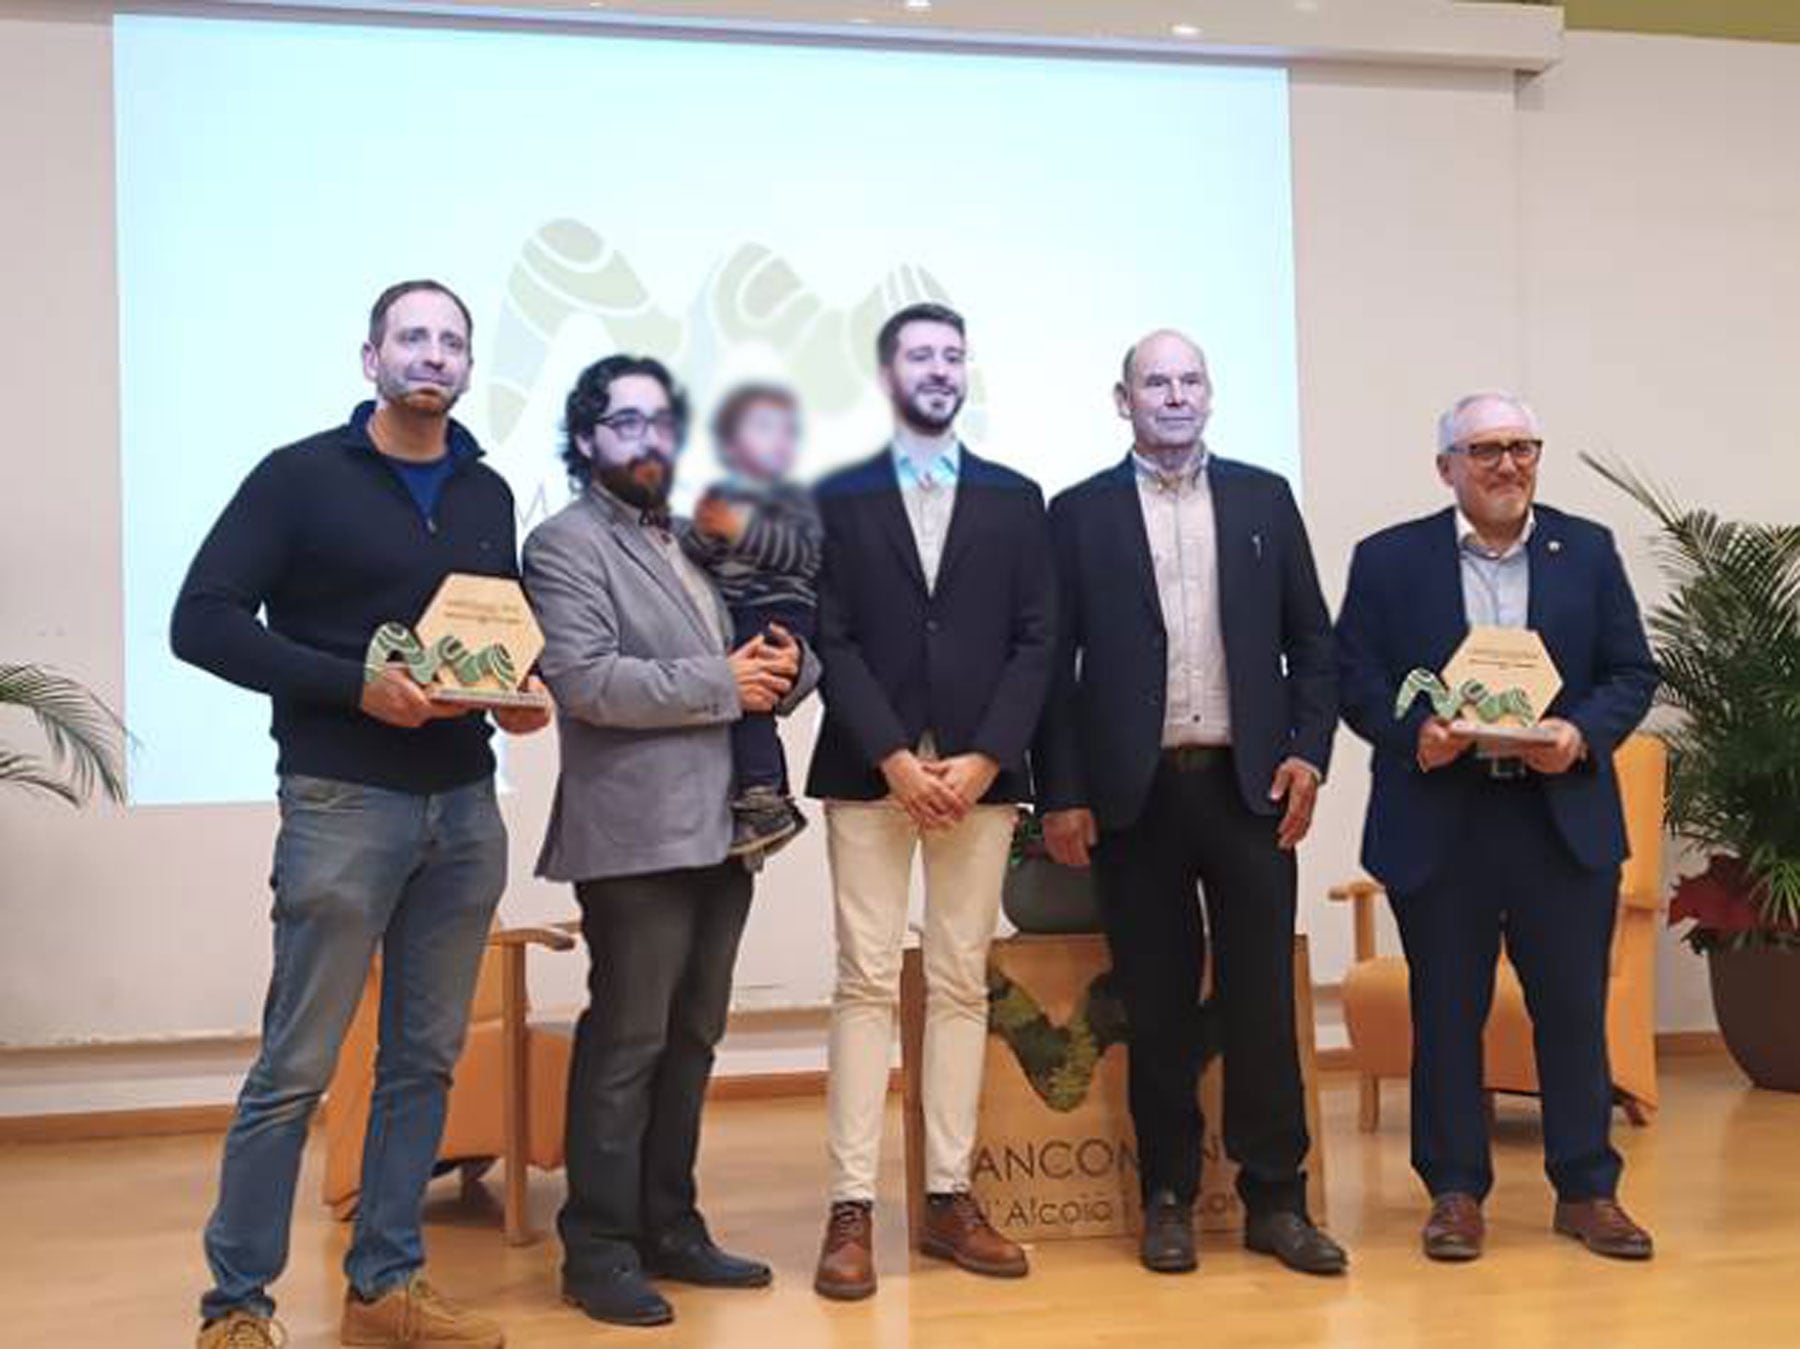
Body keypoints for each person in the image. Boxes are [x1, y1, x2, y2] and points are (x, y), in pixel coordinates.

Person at [171, 280, 551, 1349]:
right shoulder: (296, 478)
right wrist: (352, 685)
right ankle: (236, 1304)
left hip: (465, 806)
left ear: (469, 366)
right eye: (412, 337)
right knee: (294, 1067)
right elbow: (198, 621)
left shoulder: (487, 491)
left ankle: (386, 1285)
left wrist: (519, 696)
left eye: (452, 340)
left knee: (424, 1060)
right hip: (342, 798)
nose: (432, 354)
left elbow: (492, 636)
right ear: (371, 357)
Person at [1033, 329, 1347, 1277]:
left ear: (1210, 395)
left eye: (1190, 380)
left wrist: (1308, 756)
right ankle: (1167, 1197)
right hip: (1136, 798)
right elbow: (1054, 672)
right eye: (1154, 382)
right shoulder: (1078, 513)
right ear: (1121, 400)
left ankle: (1276, 1202)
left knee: (1260, 1002)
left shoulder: (1263, 497)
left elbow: (1314, 644)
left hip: (1249, 790)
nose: (1174, 396)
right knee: (1156, 1005)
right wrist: (1063, 793)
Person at [524, 354, 817, 1328]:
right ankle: (598, 1246)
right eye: (625, 423)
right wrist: (725, 681)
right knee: (628, 1040)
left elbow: (765, 649)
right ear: (585, 439)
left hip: (726, 828)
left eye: (661, 423)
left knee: (693, 1037)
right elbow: (588, 680)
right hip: (633, 834)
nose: (647, 440)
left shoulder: (697, 537)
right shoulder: (563, 544)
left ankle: (671, 1225)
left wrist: (790, 661)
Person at [1335, 391, 1659, 1263]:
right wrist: (1417, 735)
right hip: (1445, 816)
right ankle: (1453, 1192)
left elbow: (1632, 670)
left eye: (1521, 447)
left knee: (1571, 1010)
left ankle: (1588, 1188)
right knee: (1446, 1011)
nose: (1507, 465)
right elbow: (1355, 676)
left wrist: (1580, 733)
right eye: (1485, 450)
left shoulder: (1584, 551)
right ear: (1447, 467)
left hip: (1559, 818)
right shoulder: (1389, 559)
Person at [807, 302, 1054, 1300]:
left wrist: (988, 754)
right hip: (873, 771)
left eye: (954, 354)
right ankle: (850, 1207)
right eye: (920, 354)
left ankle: (948, 1195)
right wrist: (894, 758)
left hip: (982, 777)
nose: (939, 368)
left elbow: (1039, 637)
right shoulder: (834, 494)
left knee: (960, 980)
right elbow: (830, 635)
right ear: (887, 373)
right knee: (865, 979)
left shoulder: (1015, 495)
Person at [680, 382, 822, 857]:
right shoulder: (721, 495)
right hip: (729, 614)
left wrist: (740, 529)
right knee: (736, 696)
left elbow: (803, 553)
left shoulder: (796, 498)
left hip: (779, 611)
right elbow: (697, 555)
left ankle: (765, 795)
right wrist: (703, 532)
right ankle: (763, 796)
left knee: (751, 698)